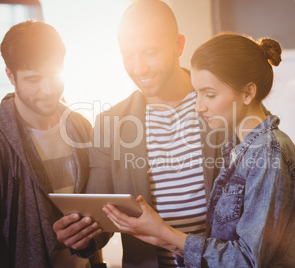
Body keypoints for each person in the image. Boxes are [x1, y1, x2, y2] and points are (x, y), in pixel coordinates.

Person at [103, 32, 295, 267]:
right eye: (197, 93)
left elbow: (248, 261)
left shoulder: (268, 152)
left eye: (209, 95)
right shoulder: (238, 149)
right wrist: (162, 238)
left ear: (248, 93)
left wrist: (166, 233)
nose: (198, 106)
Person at [52, 0, 225, 267]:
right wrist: (81, 235)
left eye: (150, 52)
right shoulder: (110, 123)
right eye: (128, 55)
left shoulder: (223, 106)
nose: (139, 67)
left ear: (179, 45)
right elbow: (101, 218)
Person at [0, 20, 103, 267]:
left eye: (54, 75)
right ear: (10, 76)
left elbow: (98, 211)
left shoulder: (81, 127)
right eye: (34, 79)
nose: (47, 89)